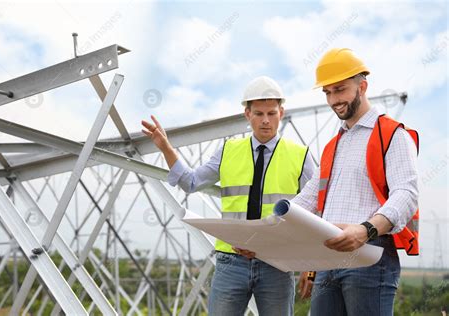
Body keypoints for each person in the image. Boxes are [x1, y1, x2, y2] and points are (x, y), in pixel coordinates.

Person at [141, 76, 315, 315]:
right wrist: (165, 148)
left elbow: (315, 210)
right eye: (259, 114)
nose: (265, 121)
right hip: (231, 260)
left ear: (281, 113)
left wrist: (309, 265)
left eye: (272, 113)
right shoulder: (228, 151)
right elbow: (191, 182)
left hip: (277, 262)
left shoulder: (301, 156)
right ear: (247, 114)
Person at [291, 48, 420, 315]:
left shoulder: (392, 135)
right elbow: (307, 201)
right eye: (327, 92)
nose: (333, 100)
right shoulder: (332, 147)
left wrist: (365, 230)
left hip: (370, 257)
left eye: (340, 90)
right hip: (327, 260)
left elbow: (406, 194)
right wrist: (263, 233)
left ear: (362, 86)